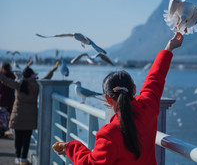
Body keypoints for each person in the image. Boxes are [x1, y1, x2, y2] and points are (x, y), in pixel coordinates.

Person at [54, 32, 184, 164]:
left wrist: (71, 147)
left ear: (108, 98)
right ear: (133, 89)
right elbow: (155, 79)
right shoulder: (147, 107)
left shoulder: (109, 134)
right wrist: (169, 48)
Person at [0, 67, 39, 165]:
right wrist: (51, 71)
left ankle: (17, 157)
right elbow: (45, 79)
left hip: (18, 115)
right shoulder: (36, 85)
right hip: (30, 116)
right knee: (27, 138)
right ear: (31, 75)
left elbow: (6, 81)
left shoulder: (19, 84)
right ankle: (23, 158)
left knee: (18, 137)